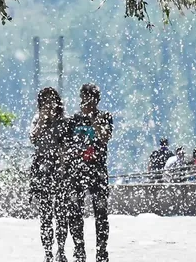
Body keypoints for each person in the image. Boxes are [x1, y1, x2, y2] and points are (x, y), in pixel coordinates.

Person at [67, 84, 113, 262]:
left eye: (90, 98)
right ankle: (79, 251)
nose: (86, 101)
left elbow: (105, 137)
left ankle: (102, 252)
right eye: (83, 97)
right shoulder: (74, 119)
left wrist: (93, 118)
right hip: (77, 170)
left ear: (97, 100)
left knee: (101, 212)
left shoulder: (104, 116)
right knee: (75, 211)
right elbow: (67, 145)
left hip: (97, 170)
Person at [30, 88, 70, 262]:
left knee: (61, 212)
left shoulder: (64, 120)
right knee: (45, 213)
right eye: (45, 101)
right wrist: (42, 120)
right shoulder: (37, 119)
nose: (48, 104)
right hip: (42, 169)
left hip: (60, 169)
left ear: (57, 102)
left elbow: (67, 146)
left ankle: (61, 249)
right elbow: (33, 138)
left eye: (51, 100)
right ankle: (47, 251)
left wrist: (63, 168)